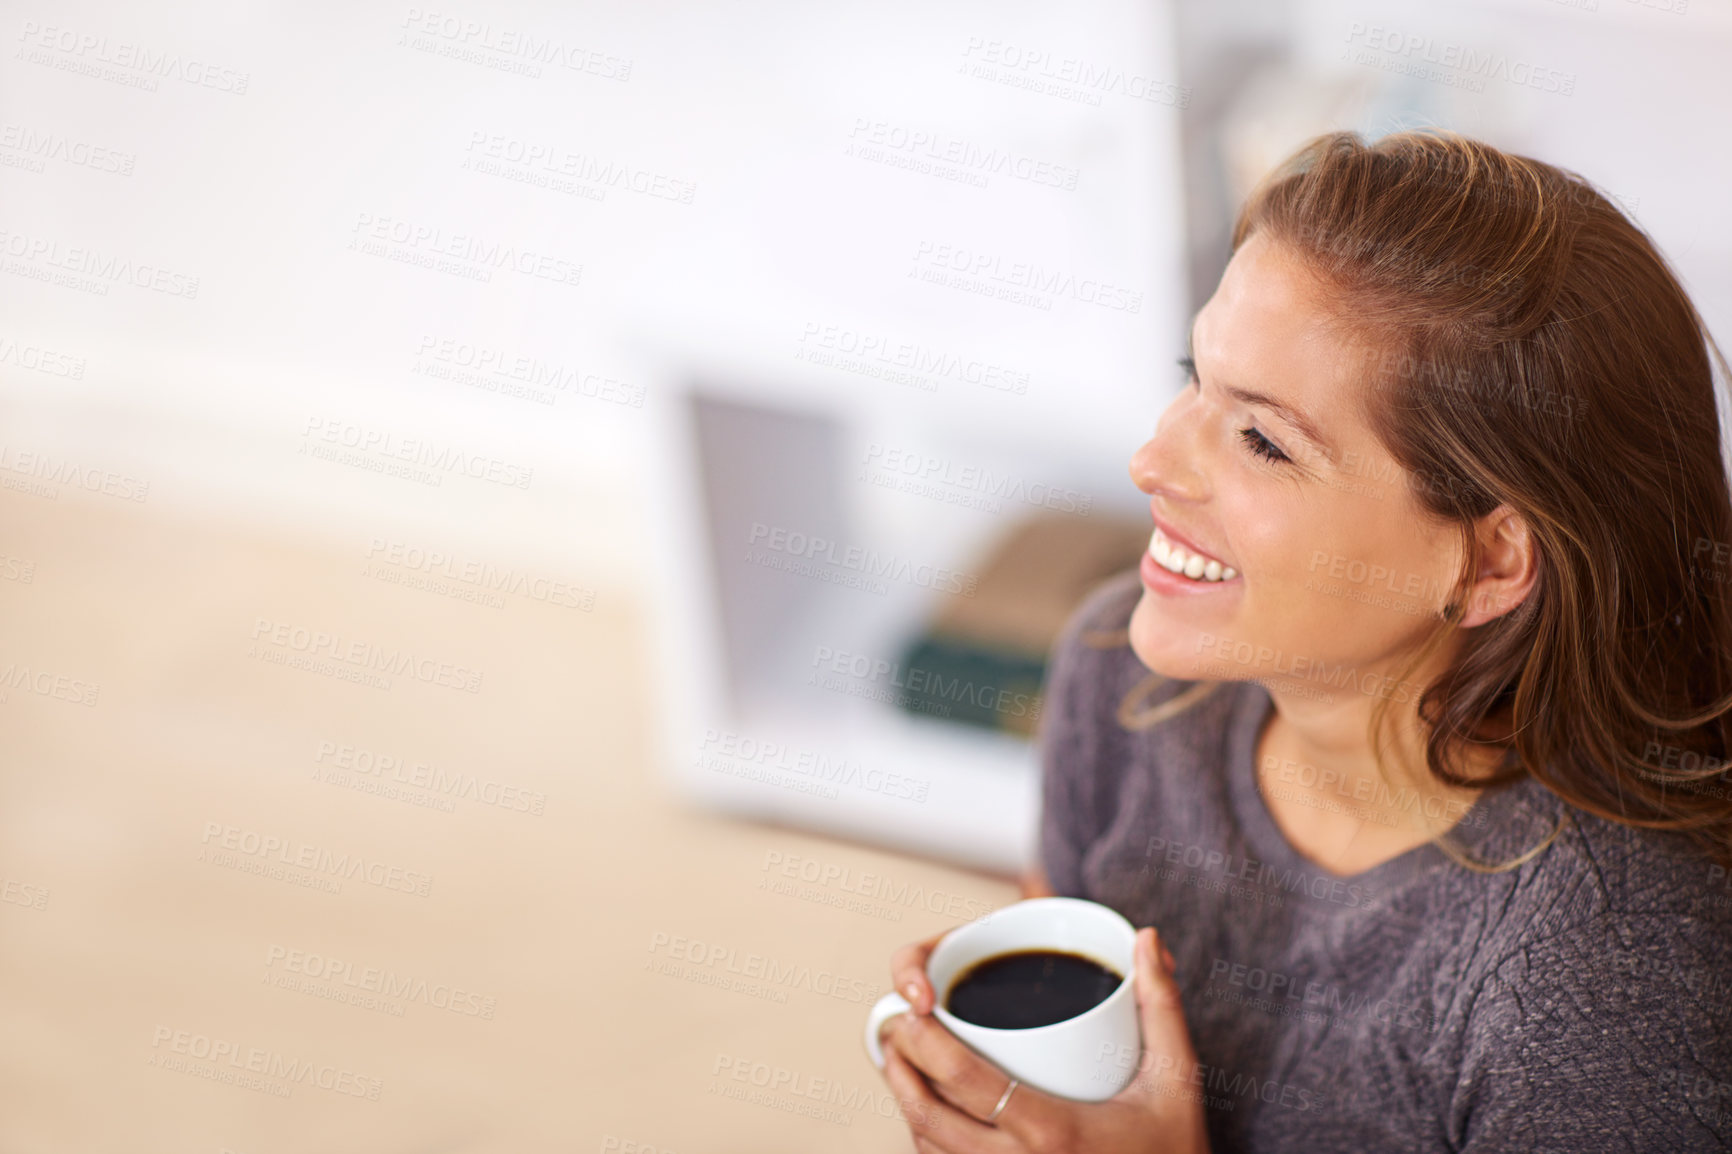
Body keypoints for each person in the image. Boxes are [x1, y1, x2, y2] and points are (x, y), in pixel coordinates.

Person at [872, 128, 1732, 1152]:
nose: (1150, 459)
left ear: (1489, 561)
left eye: (1262, 439)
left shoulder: (1602, 979)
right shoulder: (1115, 666)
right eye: (1197, 377)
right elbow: (1056, 914)